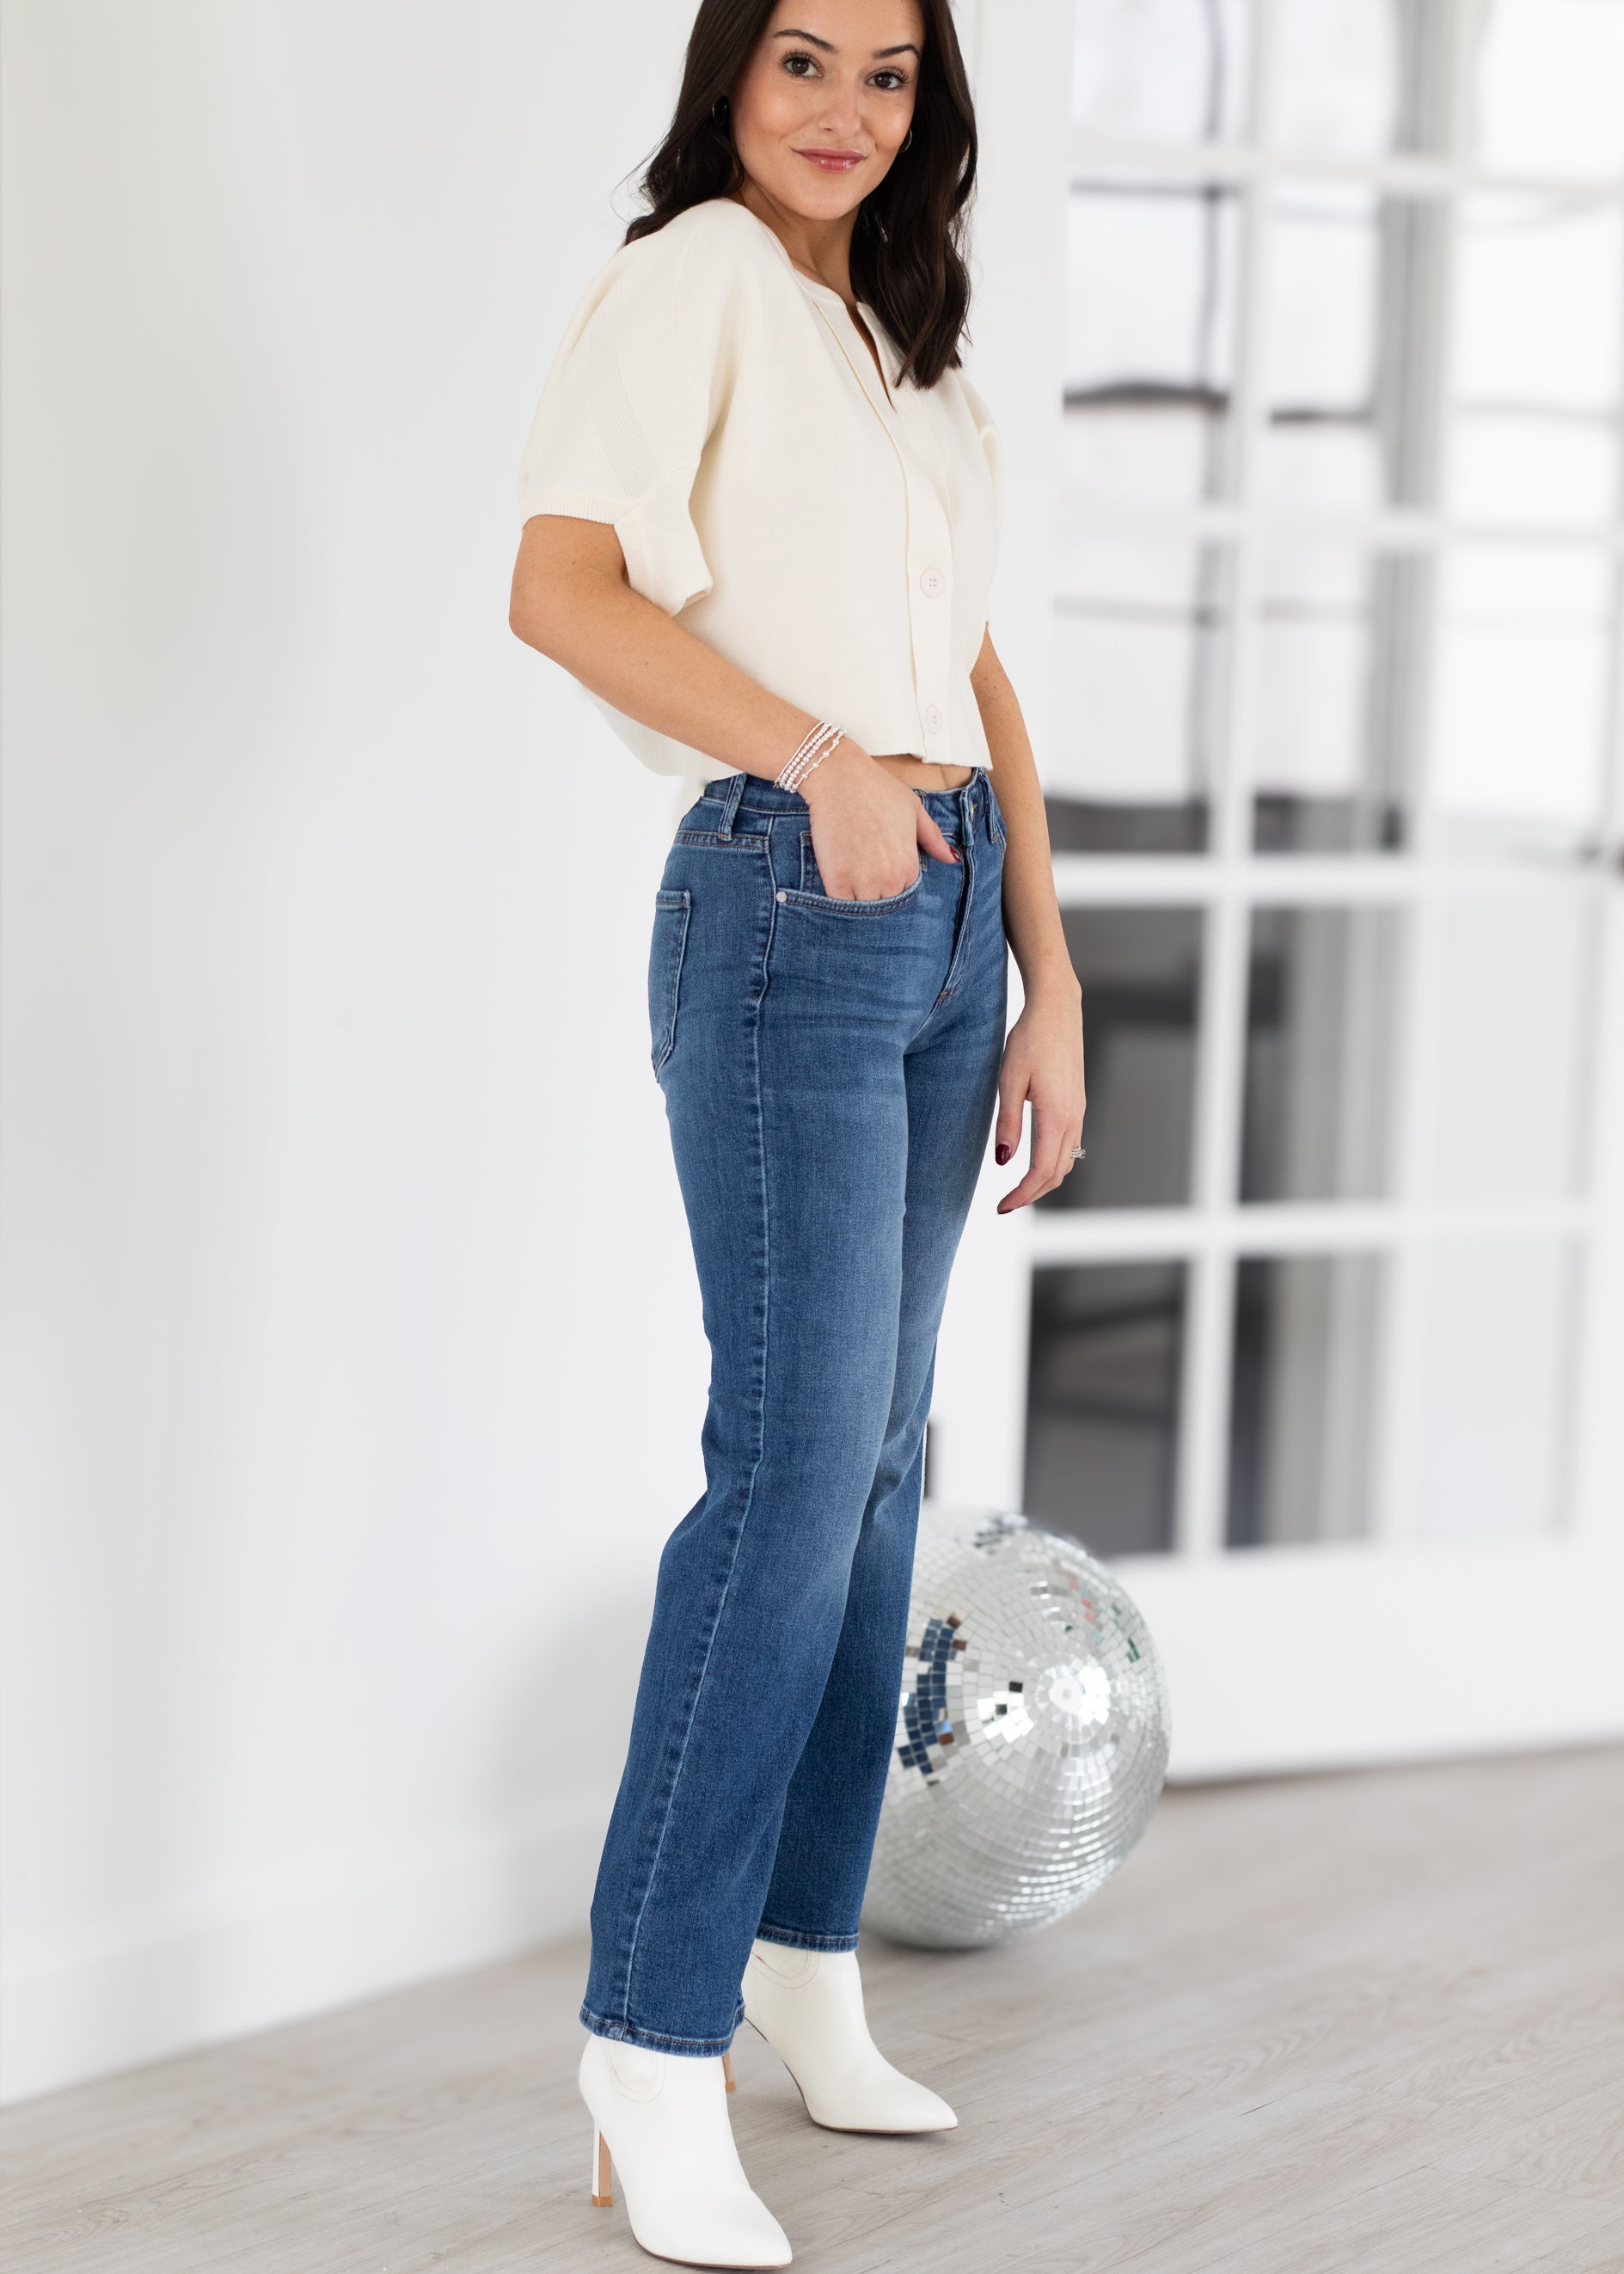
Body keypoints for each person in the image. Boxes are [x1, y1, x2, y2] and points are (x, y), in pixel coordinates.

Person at [509, 2, 1085, 2262]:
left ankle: (798, 1965)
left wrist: (1046, 968)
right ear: (728, 79)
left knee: (874, 1472)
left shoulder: (902, 343)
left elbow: (976, 668)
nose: (845, 111)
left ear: (929, 105)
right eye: (802, 62)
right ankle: (648, 2045)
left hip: (940, 914)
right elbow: (558, 585)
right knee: (789, 1468)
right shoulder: (698, 283)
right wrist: (816, 758)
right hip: (786, 900)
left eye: (887, 73)